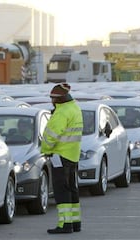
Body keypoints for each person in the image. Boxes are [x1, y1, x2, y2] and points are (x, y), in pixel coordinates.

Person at [41, 83, 83, 234]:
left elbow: (52, 135)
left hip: (60, 155)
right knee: (72, 189)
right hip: (72, 155)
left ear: (59, 99)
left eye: (53, 98)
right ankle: (75, 222)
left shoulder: (61, 112)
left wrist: (45, 149)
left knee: (61, 190)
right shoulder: (75, 108)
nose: (51, 101)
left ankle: (65, 225)